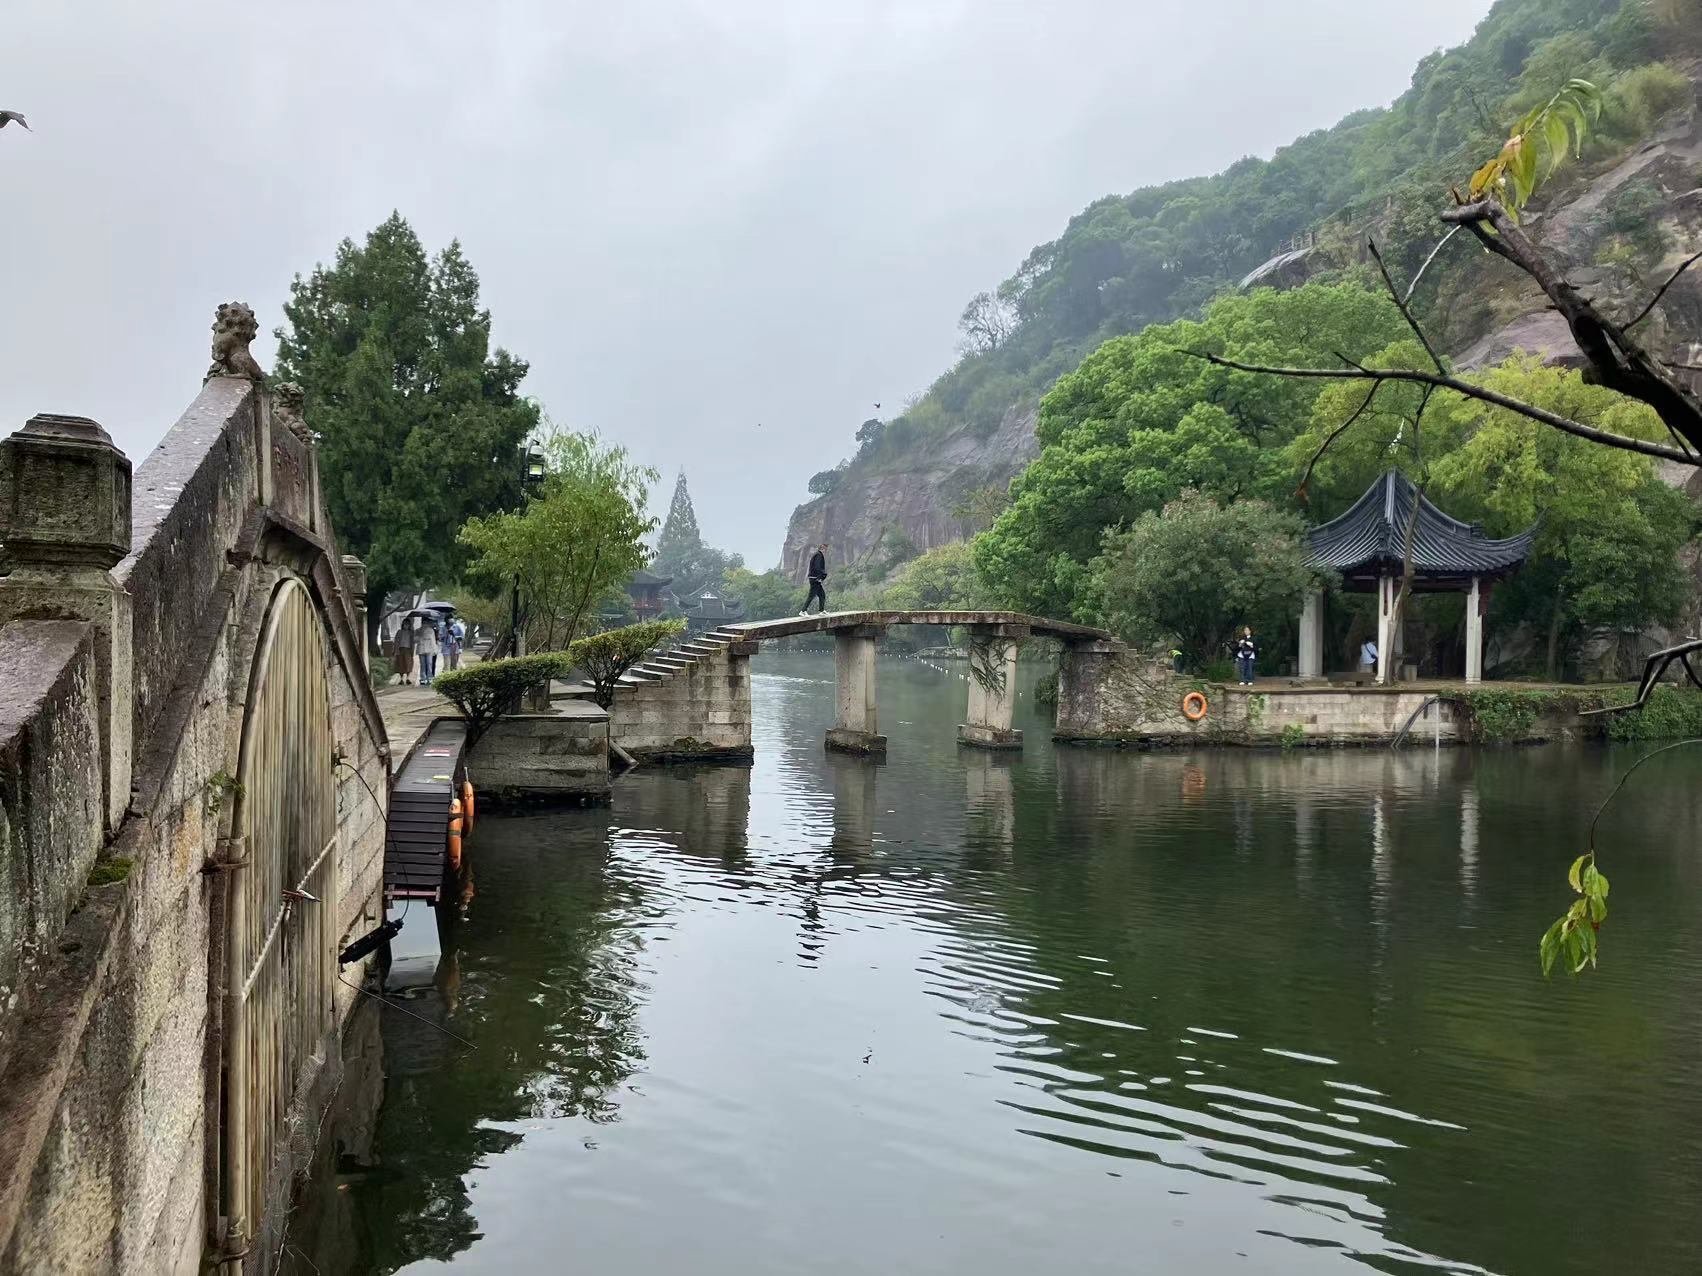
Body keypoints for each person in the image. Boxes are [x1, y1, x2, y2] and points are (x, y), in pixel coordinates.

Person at [800, 542, 829, 615]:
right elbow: (817, 567)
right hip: (815, 578)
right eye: (825, 549)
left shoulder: (817, 555)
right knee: (811, 595)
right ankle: (803, 611)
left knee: (822, 595)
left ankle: (821, 610)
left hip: (815, 578)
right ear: (822, 548)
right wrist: (820, 577)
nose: (826, 551)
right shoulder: (818, 555)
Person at [416, 615, 440, 685]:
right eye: (423, 622)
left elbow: (433, 640)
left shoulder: (431, 630)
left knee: (429, 664)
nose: (425, 624)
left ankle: (430, 678)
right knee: (422, 665)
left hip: (429, 649)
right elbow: (414, 640)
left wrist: (435, 650)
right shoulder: (418, 630)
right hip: (421, 649)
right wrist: (420, 637)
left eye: (426, 622)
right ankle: (423, 678)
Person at [393, 614, 416, 685]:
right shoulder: (399, 632)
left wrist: (412, 651)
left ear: (410, 625)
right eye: (405, 624)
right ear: (403, 624)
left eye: (408, 624)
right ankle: (401, 679)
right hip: (400, 649)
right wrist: (395, 650)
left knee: (408, 664)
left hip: (408, 650)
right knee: (400, 663)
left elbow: (413, 642)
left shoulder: (411, 632)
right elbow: (396, 641)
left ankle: (408, 678)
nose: (406, 626)